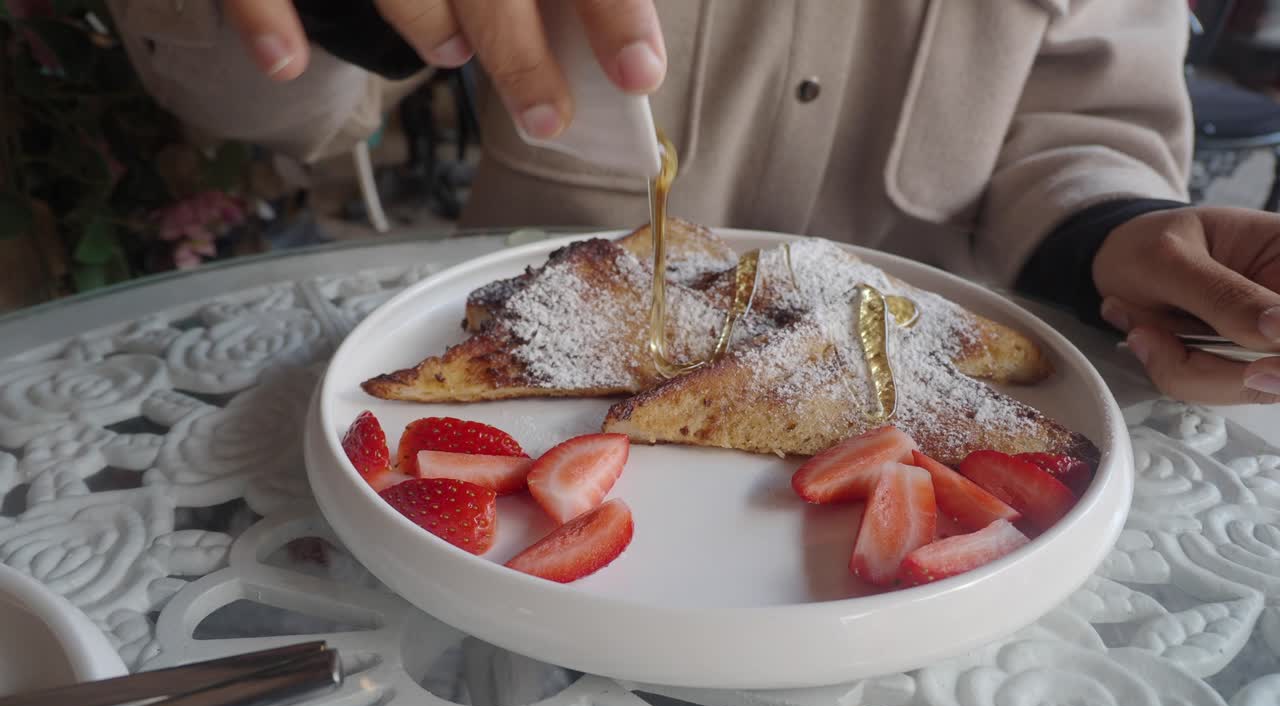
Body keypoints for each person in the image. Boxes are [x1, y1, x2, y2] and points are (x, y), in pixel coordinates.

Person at [110, 0, 1280, 405]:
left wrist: (1120, 234)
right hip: (515, 406)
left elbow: (1082, 120)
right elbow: (255, 111)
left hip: (920, 479)